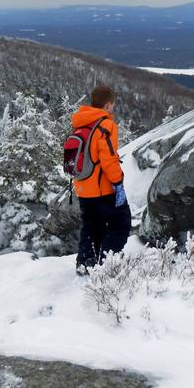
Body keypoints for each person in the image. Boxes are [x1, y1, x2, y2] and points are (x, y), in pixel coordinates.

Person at [70, 85, 130, 273]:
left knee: (91, 225)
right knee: (121, 224)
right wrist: (118, 183)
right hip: (103, 188)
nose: (113, 108)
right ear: (108, 105)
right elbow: (108, 159)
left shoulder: (81, 124)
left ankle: (86, 262)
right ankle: (106, 265)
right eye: (112, 105)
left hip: (82, 187)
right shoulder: (106, 126)